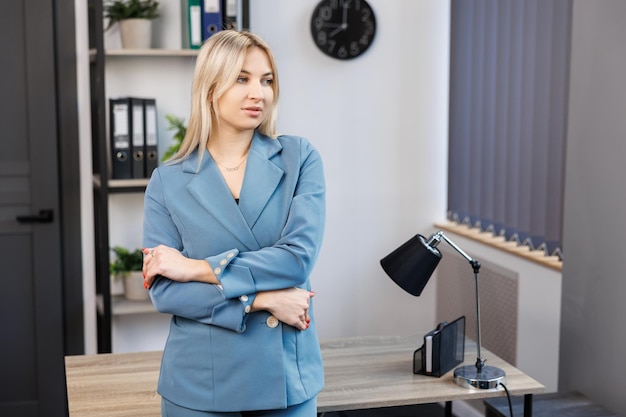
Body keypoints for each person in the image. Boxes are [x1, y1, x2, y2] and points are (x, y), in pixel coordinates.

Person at [141, 30, 326, 417]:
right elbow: (166, 292)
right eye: (242, 78)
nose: (258, 92)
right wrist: (262, 300)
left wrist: (195, 268)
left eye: (266, 79)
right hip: (199, 381)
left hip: (285, 376)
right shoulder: (168, 180)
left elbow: (296, 261)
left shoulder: (299, 158)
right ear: (211, 87)